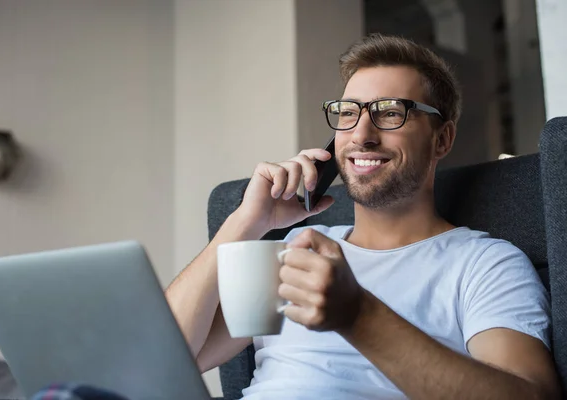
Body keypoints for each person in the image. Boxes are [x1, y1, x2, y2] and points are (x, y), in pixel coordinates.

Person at [166, 34, 561, 399]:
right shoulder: (295, 250)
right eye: (348, 112)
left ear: (442, 139)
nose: (361, 134)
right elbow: (169, 359)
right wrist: (245, 223)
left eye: (390, 113)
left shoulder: (484, 265)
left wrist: (359, 315)